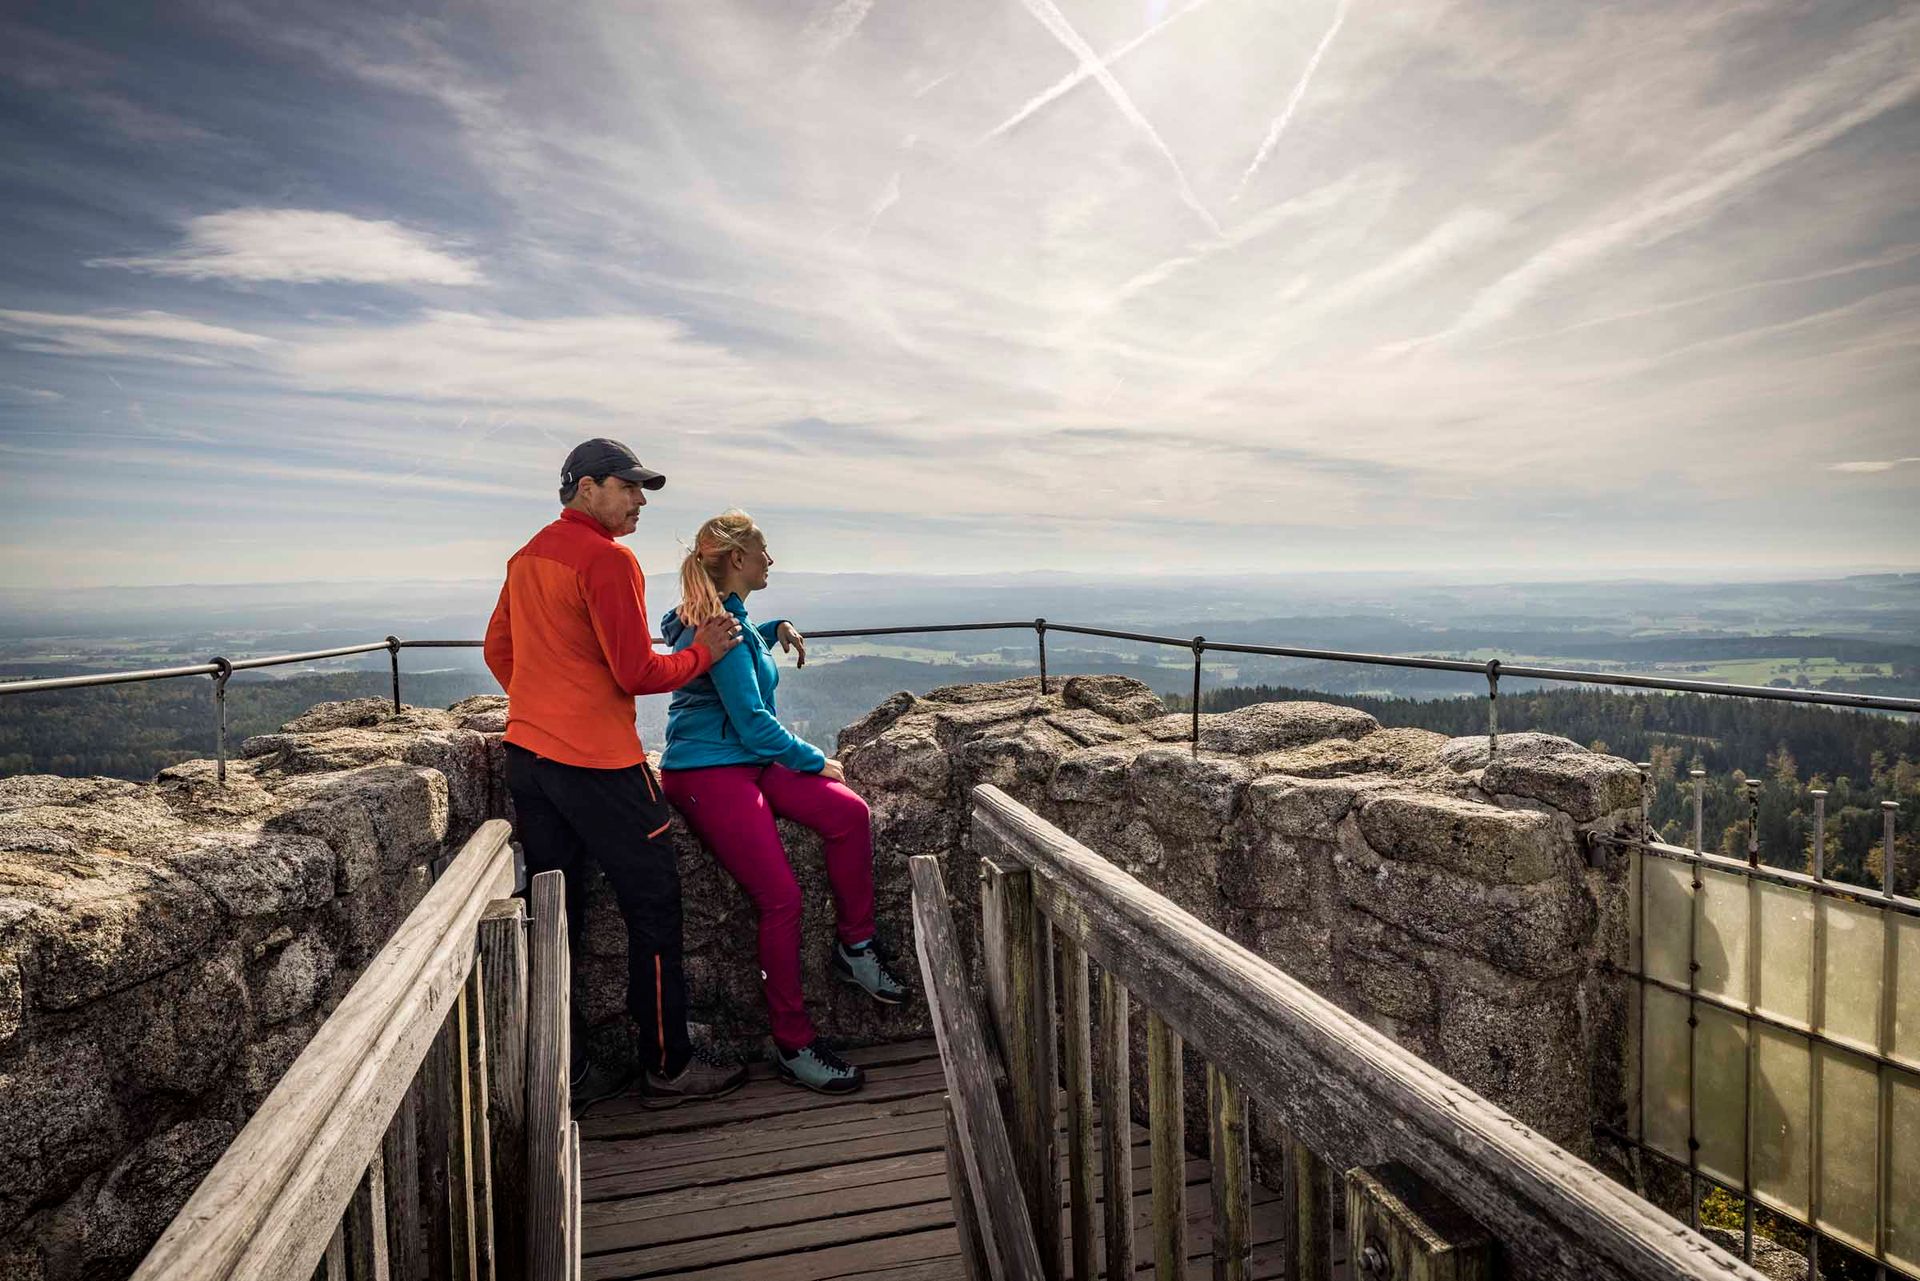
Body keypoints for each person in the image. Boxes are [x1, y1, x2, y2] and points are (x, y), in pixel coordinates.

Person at [483, 438, 749, 1112]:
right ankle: (668, 1066)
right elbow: (638, 671)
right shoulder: (607, 558)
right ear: (586, 488)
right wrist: (703, 652)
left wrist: (547, 704)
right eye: (627, 488)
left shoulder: (528, 556)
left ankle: (566, 1070)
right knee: (654, 904)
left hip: (530, 759)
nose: (639, 502)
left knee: (556, 911)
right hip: (601, 766)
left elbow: (498, 650)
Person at [658, 510, 908, 1095]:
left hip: (747, 760)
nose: (771, 560)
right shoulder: (718, 628)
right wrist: (815, 759)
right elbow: (751, 720)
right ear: (737, 560)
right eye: (764, 551)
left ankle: (856, 946)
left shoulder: (731, 619)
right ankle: (794, 1045)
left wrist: (778, 628)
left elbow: (746, 643)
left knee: (848, 813)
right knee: (782, 899)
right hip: (708, 770)